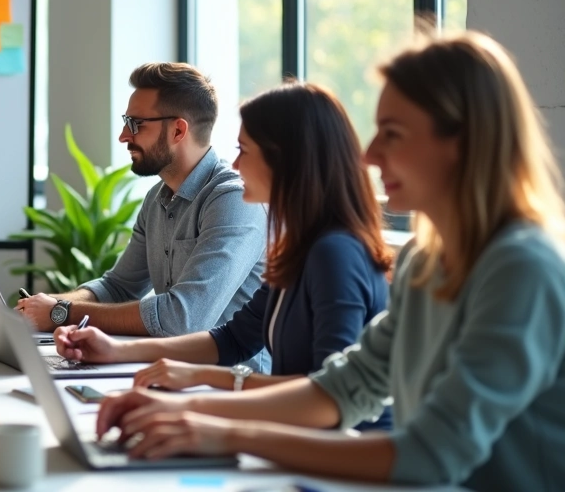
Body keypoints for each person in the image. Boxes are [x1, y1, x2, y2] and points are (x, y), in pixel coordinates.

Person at [95, 31, 565, 490]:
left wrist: (219, 430)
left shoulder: (520, 267)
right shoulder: (428, 259)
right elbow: (342, 387)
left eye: (393, 134)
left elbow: (429, 453)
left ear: (463, 142)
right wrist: (182, 412)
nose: (370, 153)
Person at [56, 82, 392, 430]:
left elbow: (324, 397)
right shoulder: (302, 248)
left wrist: (197, 399)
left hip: (343, 460)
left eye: (244, 150)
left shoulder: (333, 253)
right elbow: (233, 339)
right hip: (297, 440)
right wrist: (114, 350)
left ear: (285, 160)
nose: (235, 163)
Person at [16, 62, 269, 370]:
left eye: (136, 124)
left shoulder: (234, 200)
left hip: (232, 388)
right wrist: (42, 306)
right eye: (126, 122)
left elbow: (182, 319)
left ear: (178, 130)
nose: (124, 136)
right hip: (173, 375)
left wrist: (63, 311)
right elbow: (118, 287)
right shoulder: (157, 199)